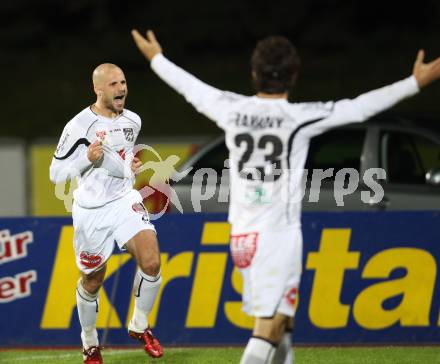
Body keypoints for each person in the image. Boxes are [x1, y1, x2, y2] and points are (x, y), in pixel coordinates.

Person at [131, 29, 440, 364]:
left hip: (242, 235)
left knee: (283, 324)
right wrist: (415, 82)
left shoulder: (231, 108)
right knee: (268, 327)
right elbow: (359, 108)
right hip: (276, 236)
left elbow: (191, 88)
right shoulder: (299, 117)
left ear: (254, 74)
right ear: (294, 76)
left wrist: (157, 59)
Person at [49, 63, 164, 363]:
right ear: (98, 89)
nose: (121, 89)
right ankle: (90, 342)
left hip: (124, 201)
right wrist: (85, 159)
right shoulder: (79, 125)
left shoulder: (133, 120)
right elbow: (55, 173)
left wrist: (130, 169)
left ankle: (139, 326)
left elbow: (122, 157)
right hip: (90, 212)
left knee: (151, 262)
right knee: (92, 279)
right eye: (113, 84)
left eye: (123, 82)